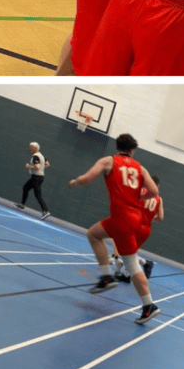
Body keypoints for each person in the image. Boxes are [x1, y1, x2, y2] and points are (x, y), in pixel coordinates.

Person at [70, 134, 163, 324]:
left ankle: (106, 276)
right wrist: (138, 200)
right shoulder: (140, 167)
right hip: (136, 219)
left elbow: (88, 178)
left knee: (93, 235)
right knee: (132, 263)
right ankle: (149, 305)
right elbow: (154, 191)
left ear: (118, 147)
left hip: (121, 217)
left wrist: (76, 181)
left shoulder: (108, 161)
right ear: (132, 150)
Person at [17, 142, 50, 219]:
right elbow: (47, 164)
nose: (30, 149)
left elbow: (37, 167)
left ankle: (45, 211)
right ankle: (22, 204)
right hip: (38, 177)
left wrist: (29, 166)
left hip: (36, 177)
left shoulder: (36, 156)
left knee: (37, 194)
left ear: (35, 148)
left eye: (31, 147)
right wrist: (42, 168)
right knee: (26, 188)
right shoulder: (41, 156)